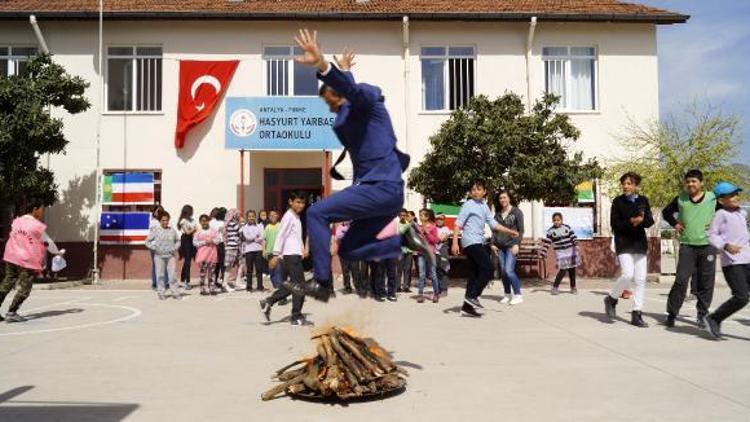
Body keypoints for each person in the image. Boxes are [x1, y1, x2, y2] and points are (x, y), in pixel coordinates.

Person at [287, 29, 432, 302]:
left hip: (381, 186)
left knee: (316, 213)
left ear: (338, 92)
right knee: (348, 248)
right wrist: (343, 71)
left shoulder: (367, 99)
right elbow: (348, 94)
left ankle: (322, 284)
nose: (329, 108)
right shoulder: (350, 115)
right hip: (386, 196)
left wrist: (323, 65)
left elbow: (353, 92)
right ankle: (402, 240)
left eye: (329, 101)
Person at [451, 179, 520, 317]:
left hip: (479, 241)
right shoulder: (468, 205)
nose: (476, 192)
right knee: (488, 269)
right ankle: (473, 296)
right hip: (470, 241)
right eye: (473, 189)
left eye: (479, 189)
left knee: (475, 273)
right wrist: (454, 243)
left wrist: (509, 231)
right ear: (470, 192)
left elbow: (493, 224)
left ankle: (467, 307)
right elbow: (458, 224)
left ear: (484, 192)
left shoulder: (483, 205)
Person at [662, 169, 717, 328]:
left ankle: (702, 314)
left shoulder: (712, 198)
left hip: (708, 246)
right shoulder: (681, 198)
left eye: (694, 181)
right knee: (681, 280)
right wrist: (676, 224)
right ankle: (672, 313)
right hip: (687, 245)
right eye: (688, 181)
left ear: (701, 183)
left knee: (706, 282)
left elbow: (725, 213)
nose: (690, 184)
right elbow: (666, 212)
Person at [604, 172, 655, 327]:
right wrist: (632, 221)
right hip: (624, 242)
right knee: (627, 275)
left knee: (640, 279)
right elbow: (615, 224)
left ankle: (637, 313)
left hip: (639, 243)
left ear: (636, 185)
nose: (626, 186)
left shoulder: (643, 201)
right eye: (624, 183)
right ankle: (611, 299)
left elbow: (649, 221)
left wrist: (642, 220)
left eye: (629, 183)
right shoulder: (617, 202)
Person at [0, 200, 61, 322]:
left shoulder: (16, 222)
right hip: (25, 260)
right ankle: (12, 312)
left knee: (7, 282)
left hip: (11, 256)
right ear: (34, 209)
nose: (42, 212)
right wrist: (57, 252)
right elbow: (47, 242)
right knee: (25, 288)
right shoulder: (36, 226)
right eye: (41, 209)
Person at [703, 182, 749, 339]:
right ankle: (714, 318)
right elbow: (711, 235)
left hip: (747, 259)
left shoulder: (741, 213)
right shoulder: (720, 215)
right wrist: (725, 245)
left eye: (737, 193)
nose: (736, 197)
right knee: (741, 297)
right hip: (732, 262)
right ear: (721, 200)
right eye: (732, 195)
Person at [259, 191, 312, 326]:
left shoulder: (295, 216)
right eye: (298, 202)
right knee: (299, 286)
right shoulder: (288, 216)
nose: (301, 205)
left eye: (303, 203)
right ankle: (296, 317)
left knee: (295, 285)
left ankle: (269, 301)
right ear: (290, 202)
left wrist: (302, 249)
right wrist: (276, 255)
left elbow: (294, 236)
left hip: (294, 254)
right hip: (290, 255)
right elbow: (281, 235)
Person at [491, 190, 525, 304]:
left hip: (512, 246)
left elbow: (521, 230)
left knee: (509, 270)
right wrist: (492, 244)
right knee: (503, 272)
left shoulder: (516, 212)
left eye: (504, 197)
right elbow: (494, 231)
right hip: (500, 247)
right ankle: (507, 294)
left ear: (509, 198)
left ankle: (518, 295)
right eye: (500, 198)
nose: (502, 200)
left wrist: (517, 244)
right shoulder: (497, 214)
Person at [145, 211, 181, 300]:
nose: (165, 222)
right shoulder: (155, 230)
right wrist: (155, 248)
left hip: (170, 256)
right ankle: (161, 292)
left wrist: (174, 248)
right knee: (160, 275)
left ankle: (174, 292)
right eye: (163, 220)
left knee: (172, 274)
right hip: (159, 256)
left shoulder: (172, 230)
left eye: (167, 220)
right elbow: (147, 241)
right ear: (160, 221)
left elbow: (178, 241)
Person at [543, 213, 581, 296]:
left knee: (572, 270)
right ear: (552, 221)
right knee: (563, 270)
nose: (556, 222)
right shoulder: (551, 231)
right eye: (554, 220)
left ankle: (573, 287)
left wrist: (576, 244)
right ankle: (555, 287)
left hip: (570, 251)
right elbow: (547, 243)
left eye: (558, 220)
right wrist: (543, 252)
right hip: (561, 253)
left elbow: (573, 237)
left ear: (561, 220)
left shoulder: (567, 227)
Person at [416, 208, 441, 303]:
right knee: (421, 274)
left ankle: (436, 294)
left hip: (431, 253)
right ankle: (420, 294)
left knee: (433, 274)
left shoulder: (433, 227)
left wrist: (427, 233)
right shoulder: (418, 227)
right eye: (420, 215)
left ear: (427, 216)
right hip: (421, 253)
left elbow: (436, 240)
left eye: (422, 215)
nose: (420, 217)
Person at [193, 214, 220, 295]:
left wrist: (212, 241)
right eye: (202, 221)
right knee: (202, 273)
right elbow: (195, 243)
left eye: (206, 220)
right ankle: (202, 289)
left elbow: (219, 239)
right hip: (202, 256)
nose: (204, 222)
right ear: (200, 222)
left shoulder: (214, 231)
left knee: (212, 273)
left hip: (212, 254)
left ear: (208, 221)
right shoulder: (198, 232)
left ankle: (212, 288)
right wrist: (204, 242)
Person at [242, 210, 265, 291]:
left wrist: (254, 238)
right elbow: (247, 238)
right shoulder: (244, 227)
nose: (251, 218)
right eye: (249, 216)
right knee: (249, 270)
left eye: (252, 216)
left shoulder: (260, 225)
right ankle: (249, 286)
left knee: (259, 269)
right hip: (249, 250)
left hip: (258, 249)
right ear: (247, 217)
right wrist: (256, 236)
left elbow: (262, 236)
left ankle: (260, 286)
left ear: (255, 217)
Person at [222, 208, 242, 292]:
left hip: (234, 247)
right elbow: (241, 230)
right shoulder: (232, 223)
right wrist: (242, 223)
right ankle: (225, 283)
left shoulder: (230, 223)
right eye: (237, 214)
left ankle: (235, 281)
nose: (239, 215)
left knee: (237, 264)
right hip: (232, 247)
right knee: (229, 266)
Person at [177, 204, 196, 290]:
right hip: (185, 240)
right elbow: (187, 232)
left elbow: (194, 229)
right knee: (187, 261)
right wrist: (194, 229)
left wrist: (193, 230)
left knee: (188, 261)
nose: (192, 213)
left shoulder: (192, 220)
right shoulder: (183, 220)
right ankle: (187, 281)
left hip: (192, 240)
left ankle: (182, 279)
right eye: (190, 211)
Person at [333, 221, 355, 294]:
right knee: (345, 271)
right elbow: (338, 235)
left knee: (355, 270)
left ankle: (358, 286)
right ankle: (347, 287)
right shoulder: (340, 227)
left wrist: (345, 231)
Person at [149, 204, 167, 290]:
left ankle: (166, 283)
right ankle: (155, 283)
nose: (158, 213)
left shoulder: (165, 221)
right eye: (157, 211)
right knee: (155, 265)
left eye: (160, 211)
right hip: (155, 246)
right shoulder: (153, 222)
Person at [210, 207, 227, 289]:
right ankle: (221, 281)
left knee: (216, 264)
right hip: (219, 244)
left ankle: (215, 281)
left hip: (214, 244)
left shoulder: (212, 222)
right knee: (221, 264)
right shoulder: (222, 223)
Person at [435, 213, 452, 296]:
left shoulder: (446, 229)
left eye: (441, 219)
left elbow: (444, 238)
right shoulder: (433, 228)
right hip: (435, 252)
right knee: (436, 270)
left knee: (444, 269)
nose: (439, 220)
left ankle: (444, 289)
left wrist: (438, 239)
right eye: (437, 219)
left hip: (443, 251)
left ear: (443, 220)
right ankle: (438, 289)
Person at [397, 209, 414, 293]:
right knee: (399, 269)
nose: (403, 217)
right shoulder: (397, 224)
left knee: (407, 269)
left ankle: (406, 286)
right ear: (399, 216)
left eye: (405, 215)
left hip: (409, 250)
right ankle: (397, 286)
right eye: (401, 215)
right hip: (400, 249)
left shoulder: (409, 224)